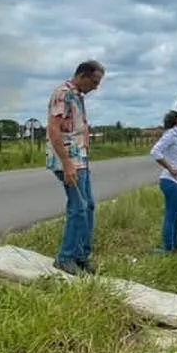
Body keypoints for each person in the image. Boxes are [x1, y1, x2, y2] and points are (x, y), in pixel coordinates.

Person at [46, 59, 105, 275]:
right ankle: (65, 258)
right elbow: (54, 129)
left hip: (81, 158)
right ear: (82, 76)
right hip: (69, 160)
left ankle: (82, 257)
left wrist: (86, 141)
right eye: (95, 81)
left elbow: (80, 125)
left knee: (88, 207)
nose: (96, 87)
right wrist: (67, 164)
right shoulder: (63, 93)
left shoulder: (78, 96)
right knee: (78, 209)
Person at [150, 96, 177, 254]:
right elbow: (155, 152)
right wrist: (170, 168)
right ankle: (168, 248)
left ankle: (175, 246)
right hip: (172, 181)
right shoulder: (170, 134)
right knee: (171, 215)